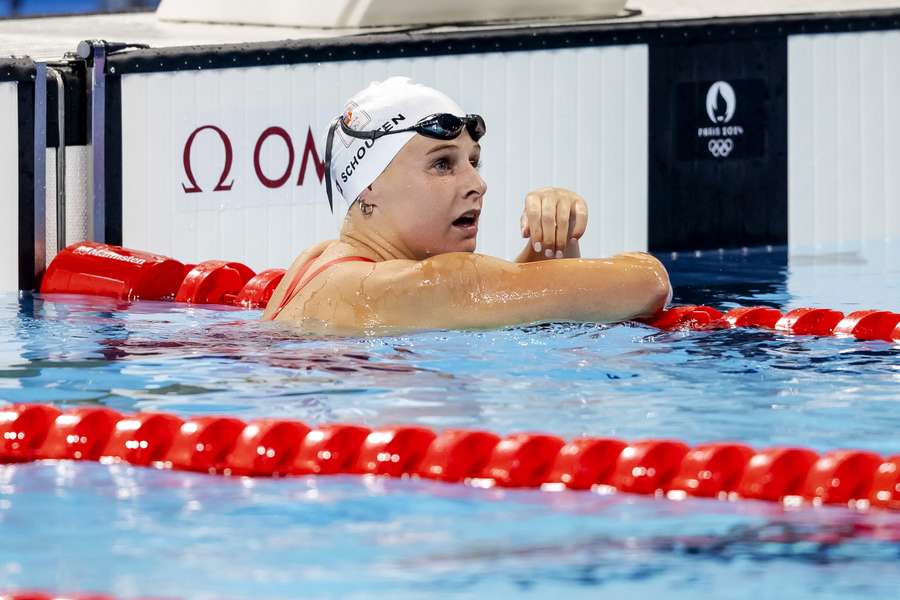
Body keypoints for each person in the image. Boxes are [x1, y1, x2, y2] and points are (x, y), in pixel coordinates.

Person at [262, 77, 671, 334]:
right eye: (442, 164)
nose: (477, 183)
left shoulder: (315, 263)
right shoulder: (417, 286)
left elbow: (519, 310)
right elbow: (647, 283)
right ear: (368, 185)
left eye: (474, 162)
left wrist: (552, 240)